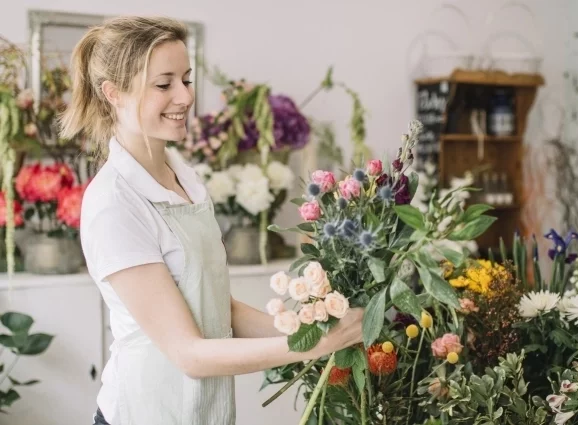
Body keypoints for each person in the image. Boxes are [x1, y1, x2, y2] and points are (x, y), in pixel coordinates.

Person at [59, 16, 364, 425]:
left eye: (186, 79)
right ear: (113, 93)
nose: (185, 96)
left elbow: (219, 309)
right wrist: (314, 345)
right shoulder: (114, 203)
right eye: (163, 84)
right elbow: (189, 353)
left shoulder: (183, 176)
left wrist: (316, 322)